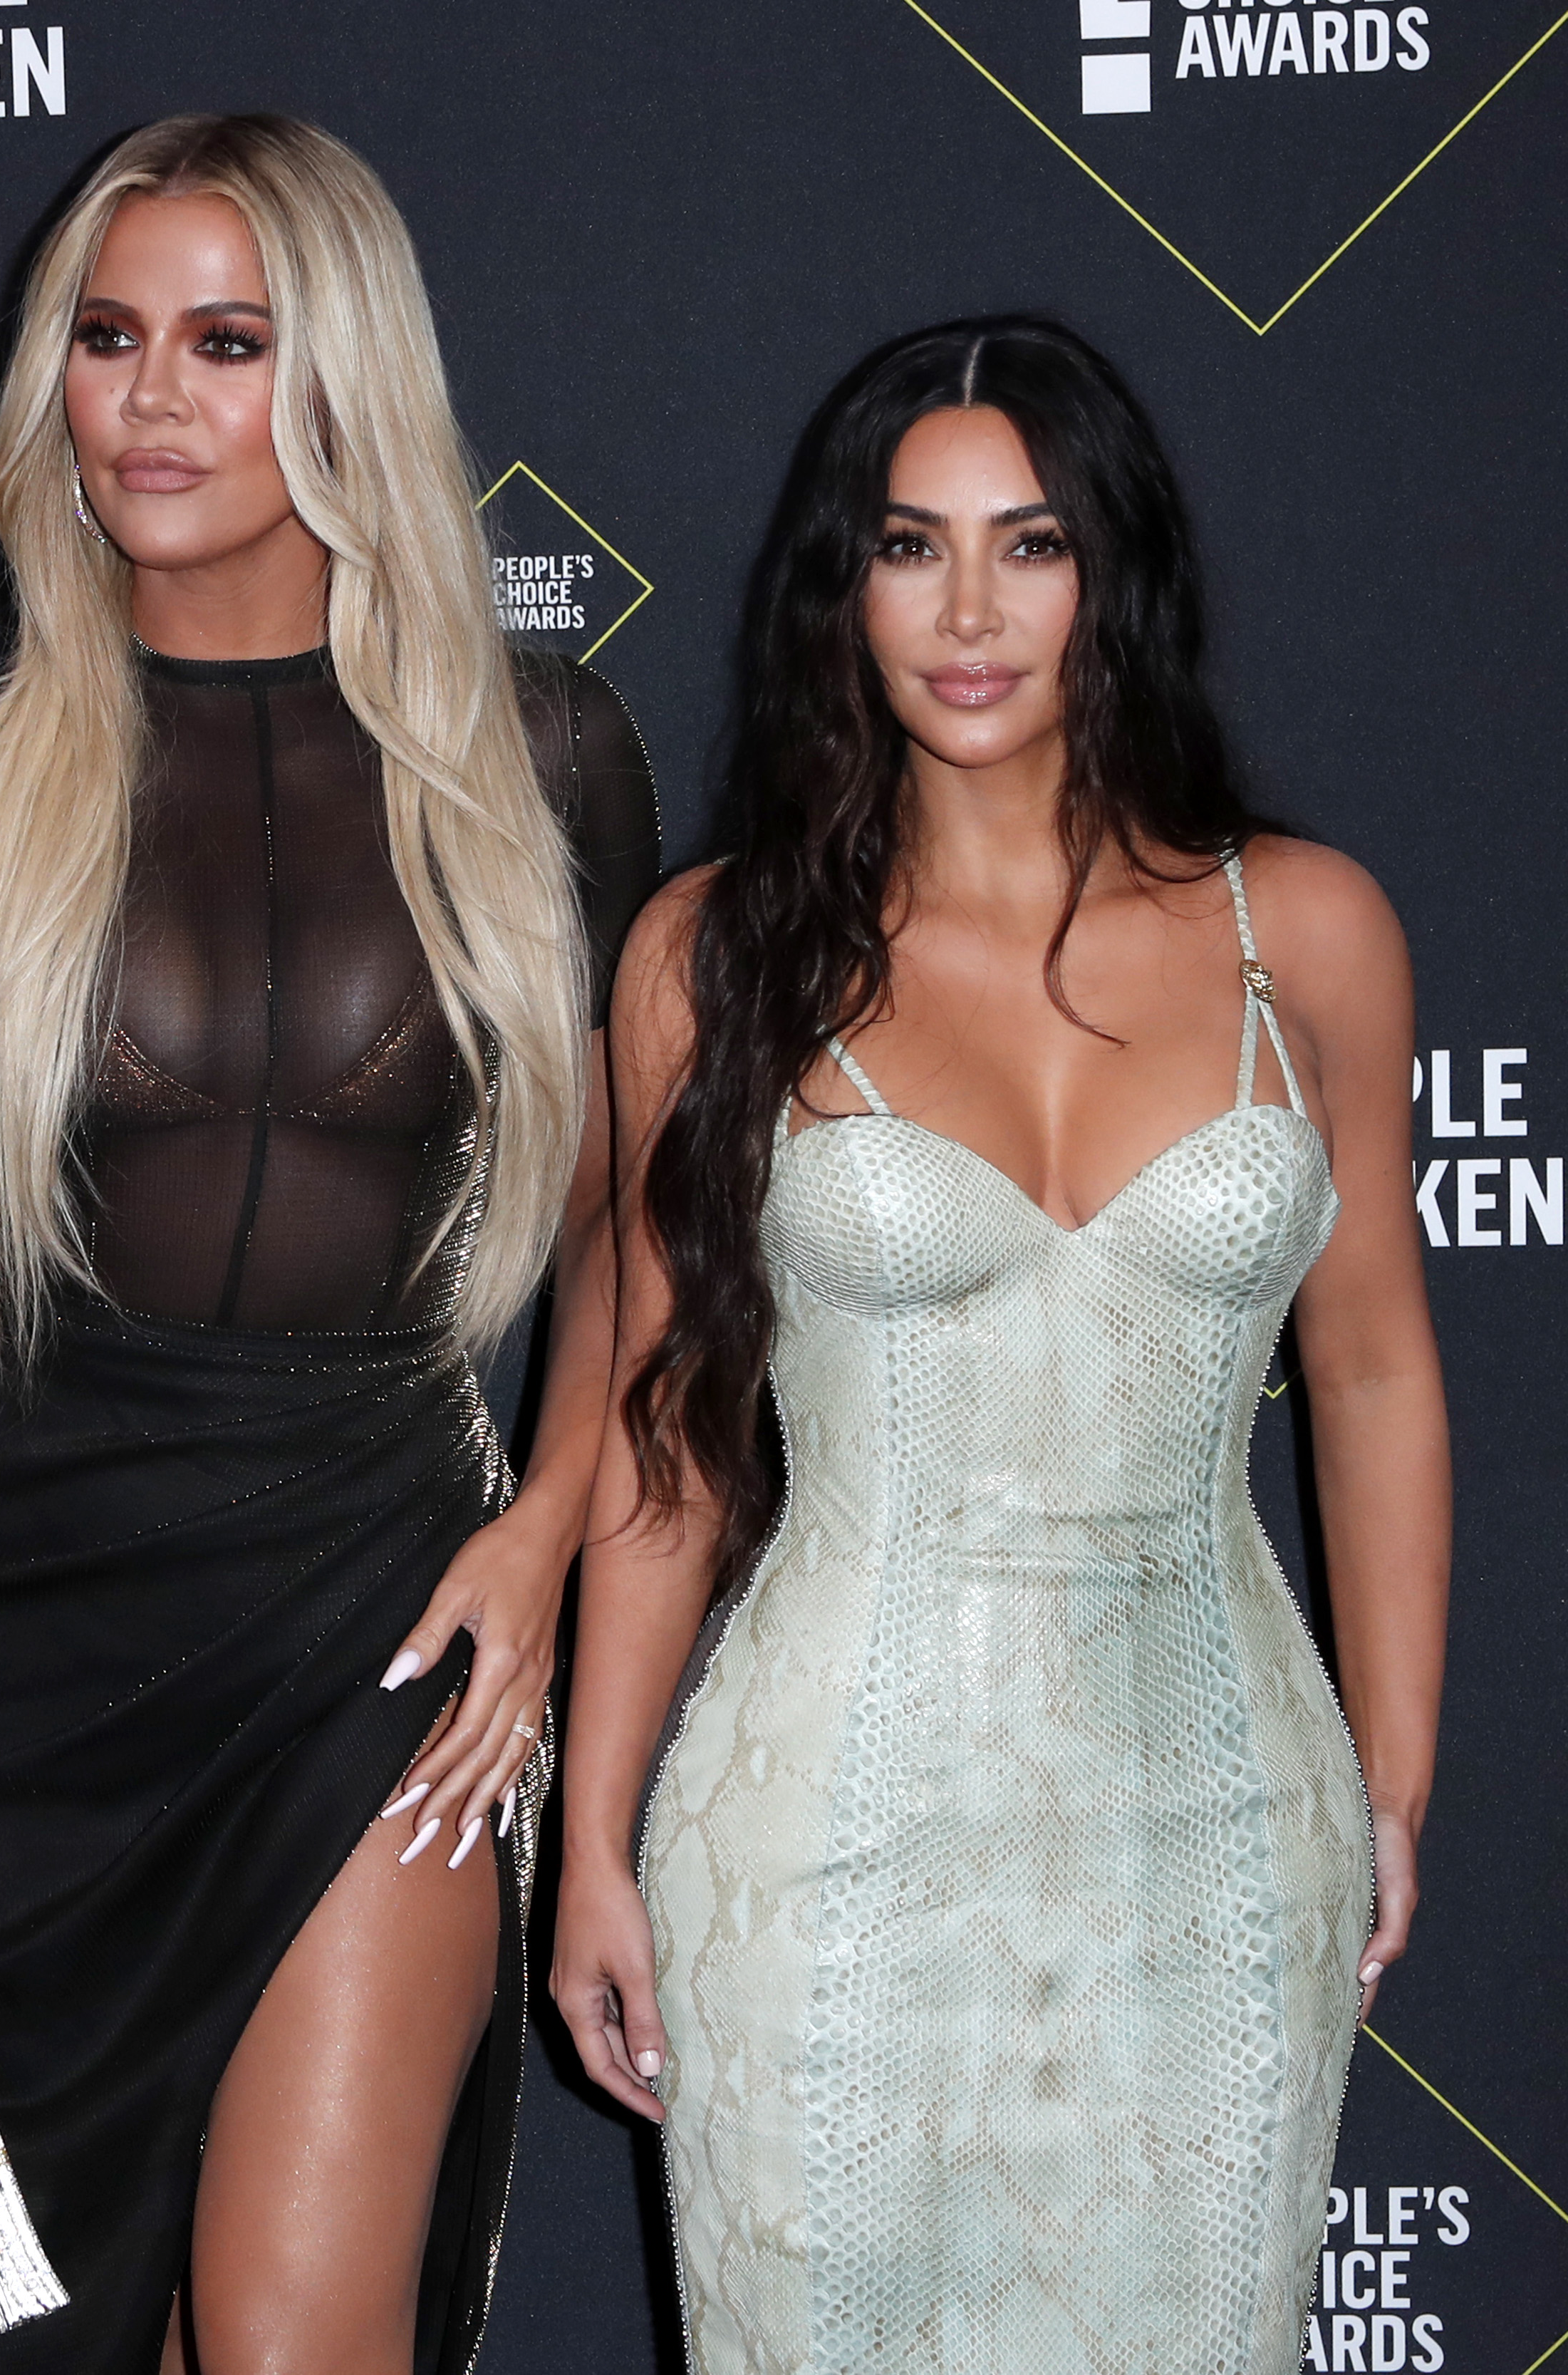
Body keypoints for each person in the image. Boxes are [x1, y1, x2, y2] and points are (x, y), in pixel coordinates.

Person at [0, 115, 658, 2373]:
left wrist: (545, 1537)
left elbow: (619, 1240)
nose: (151, 399)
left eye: (226, 342)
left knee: (298, 2345)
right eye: (105, 339)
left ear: (343, 379)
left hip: (375, 1635)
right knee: (6, 2330)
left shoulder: (541, 765)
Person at [551, 317, 1448, 2374]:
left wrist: (1390, 1775)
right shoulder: (715, 952)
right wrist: (592, 1844)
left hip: (1217, 1833)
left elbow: (1382, 1374)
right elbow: (658, 1430)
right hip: (822, 1859)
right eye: (909, 546)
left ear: (1110, 573)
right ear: (838, 586)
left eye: (1028, 546)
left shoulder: (1304, 934)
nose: (966, 611)